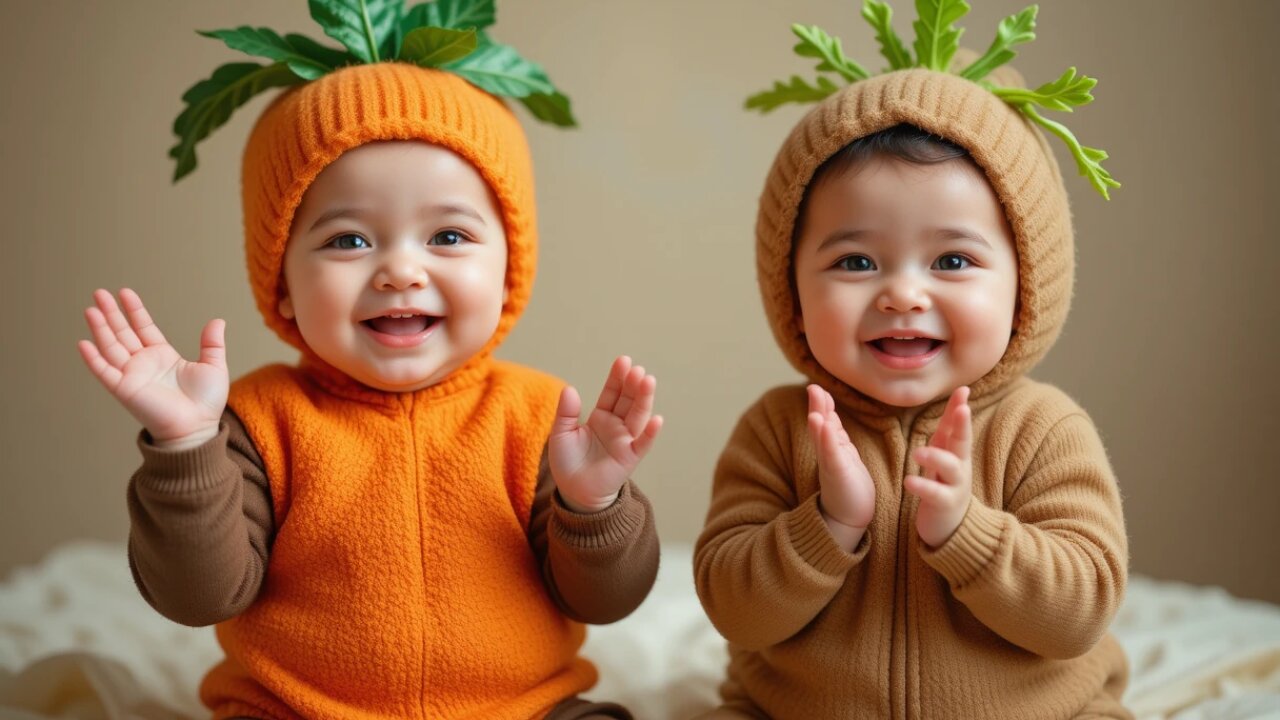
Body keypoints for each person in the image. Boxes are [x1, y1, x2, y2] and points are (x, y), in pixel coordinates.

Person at [76, 6, 660, 719]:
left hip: (520, 708)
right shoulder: (256, 422)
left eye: (447, 235)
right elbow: (197, 597)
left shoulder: (543, 418)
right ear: (282, 284)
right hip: (294, 709)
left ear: (510, 270)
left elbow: (606, 600)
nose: (400, 272)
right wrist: (186, 448)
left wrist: (592, 506)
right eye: (349, 241)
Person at [693, 3, 1129, 716]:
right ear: (790, 286)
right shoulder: (779, 428)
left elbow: (1080, 613)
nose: (902, 294)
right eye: (856, 260)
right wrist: (829, 525)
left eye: (952, 259)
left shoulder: (1044, 429)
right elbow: (733, 611)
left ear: (1027, 284)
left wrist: (968, 534)